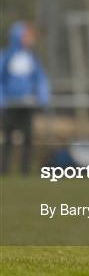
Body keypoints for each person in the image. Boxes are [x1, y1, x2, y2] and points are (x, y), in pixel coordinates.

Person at [0, 22, 50, 174]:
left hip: (27, 104)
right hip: (10, 105)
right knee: (7, 138)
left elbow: (40, 78)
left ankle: (25, 171)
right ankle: (4, 170)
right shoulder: (7, 56)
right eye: (26, 36)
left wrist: (43, 97)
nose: (30, 39)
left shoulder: (32, 57)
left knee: (27, 138)